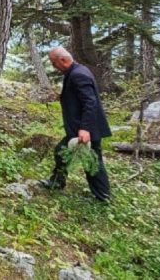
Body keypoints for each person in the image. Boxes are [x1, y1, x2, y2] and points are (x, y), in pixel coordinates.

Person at [41, 46, 112, 202]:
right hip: (79, 128)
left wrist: (85, 129)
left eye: (54, 63)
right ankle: (57, 181)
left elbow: (90, 102)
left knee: (92, 161)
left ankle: (103, 197)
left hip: (87, 129)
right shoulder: (75, 71)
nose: (53, 66)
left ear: (63, 60)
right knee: (61, 151)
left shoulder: (79, 75)